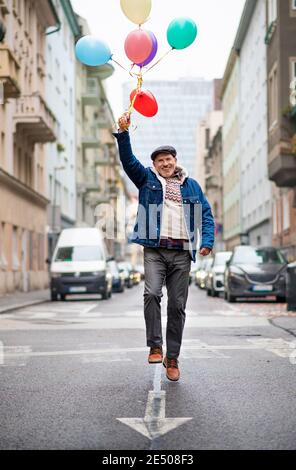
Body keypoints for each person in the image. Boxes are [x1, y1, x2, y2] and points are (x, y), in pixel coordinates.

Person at [113, 113, 215, 382]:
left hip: (182, 253)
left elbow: (205, 214)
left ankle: (173, 358)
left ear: (175, 161)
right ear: (155, 165)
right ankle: (156, 346)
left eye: (169, 159)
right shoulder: (147, 180)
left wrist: (207, 241)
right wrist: (123, 134)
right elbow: (128, 161)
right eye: (160, 161)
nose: (166, 163)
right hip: (155, 250)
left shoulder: (192, 186)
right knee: (151, 294)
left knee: (177, 307)